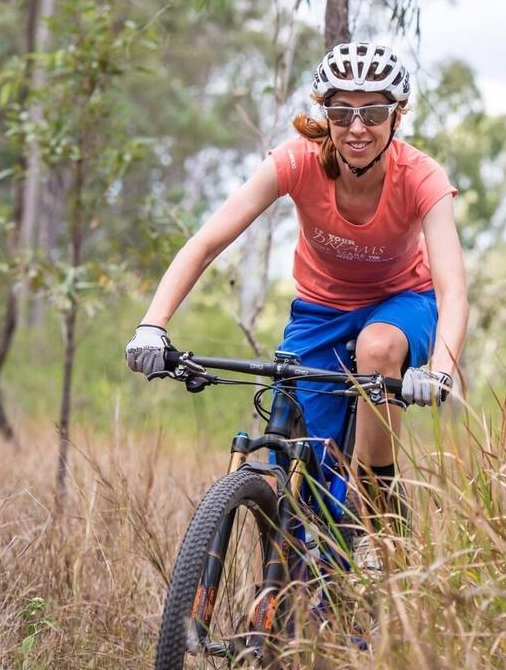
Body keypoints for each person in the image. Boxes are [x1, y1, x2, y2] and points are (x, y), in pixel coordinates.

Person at [124, 42, 468, 556]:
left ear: (396, 116)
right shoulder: (296, 162)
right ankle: (304, 582)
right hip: (321, 311)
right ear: (324, 113)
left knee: (376, 350)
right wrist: (153, 324)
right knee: (314, 464)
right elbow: (208, 241)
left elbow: (453, 288)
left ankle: (375, 518)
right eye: (342, 111)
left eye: (372, 111)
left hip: (404, 300)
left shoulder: (420, 176)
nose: (357, 127)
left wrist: (438, 368)